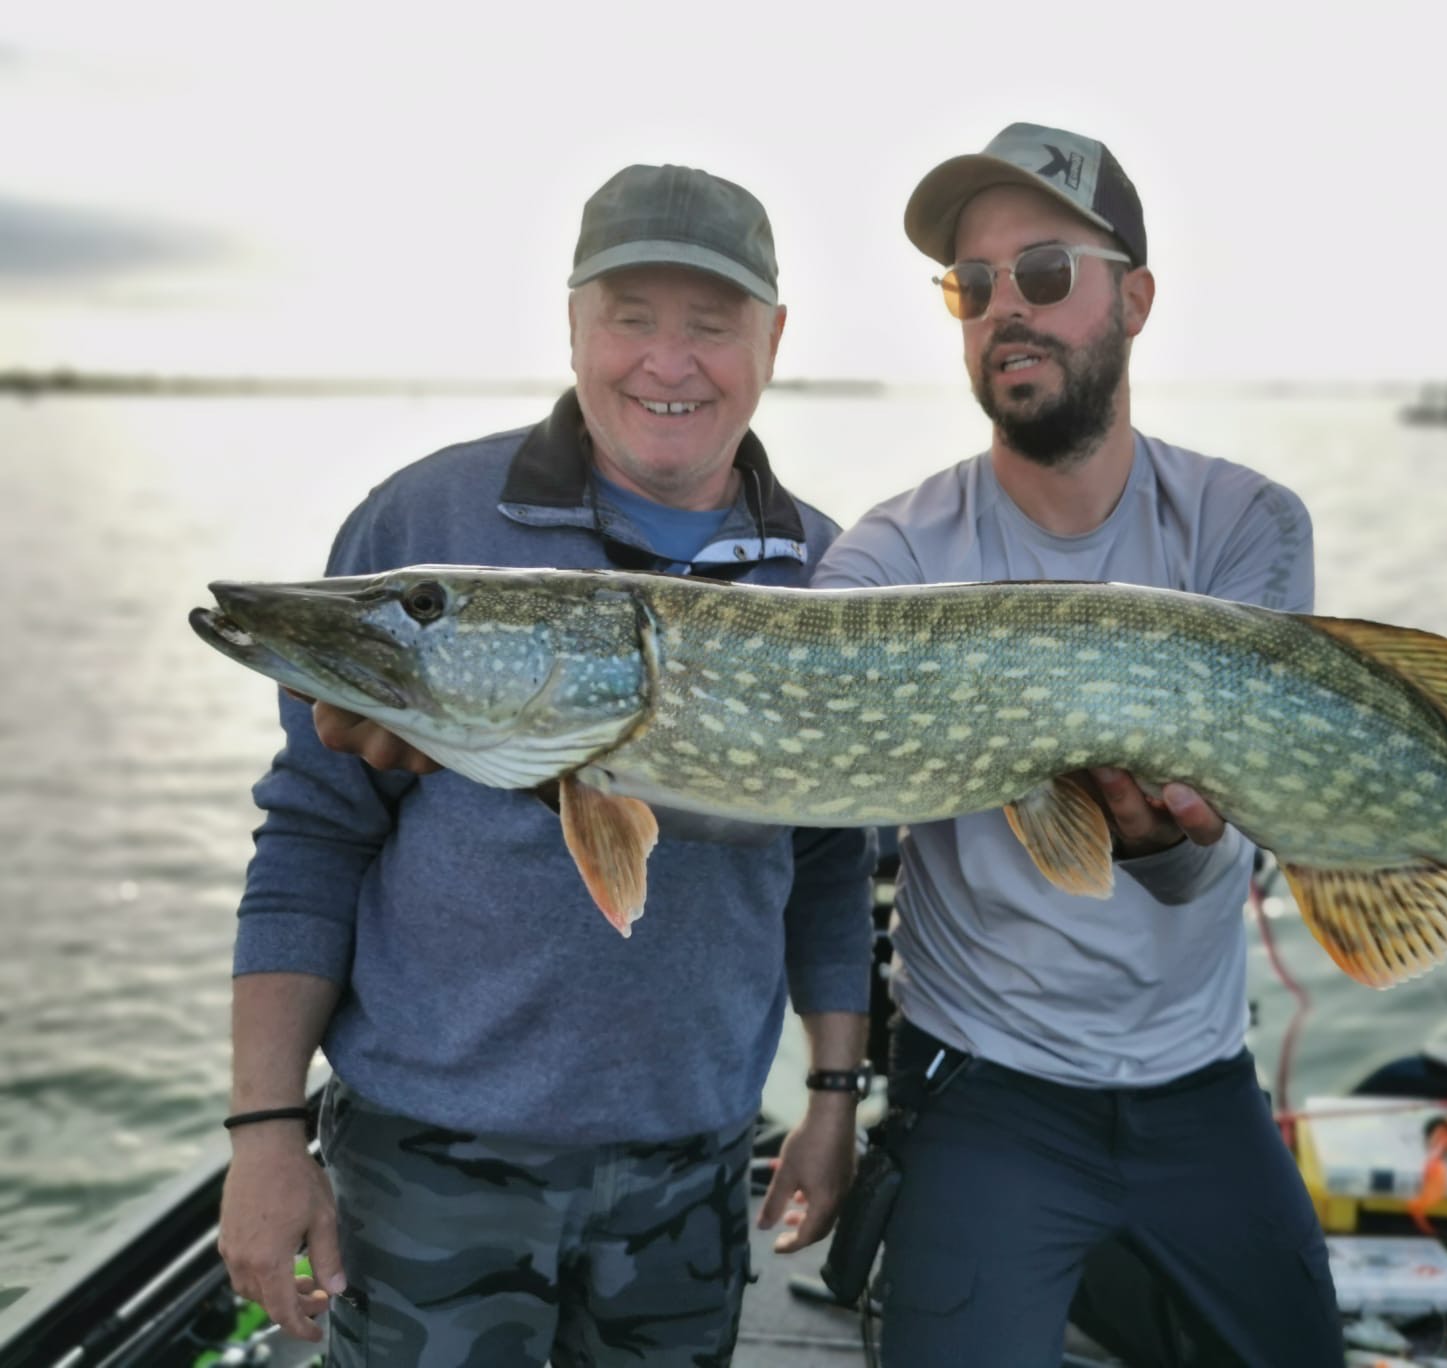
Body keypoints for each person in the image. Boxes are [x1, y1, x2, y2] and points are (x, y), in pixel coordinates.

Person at [216, 163, 876, 1367]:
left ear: (772, 341)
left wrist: (832, 1099)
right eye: (631, 318)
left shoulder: (839, 575)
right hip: (430, 1160)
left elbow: (832, 860)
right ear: (573, 323)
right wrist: (265, 1130)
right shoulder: (421, 524)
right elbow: (310, 834)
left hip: (693, 1164)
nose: (667, 364)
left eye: (711, 325)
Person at [812, 123, 1344, 1366]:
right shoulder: (889, 560)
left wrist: (1163, 850)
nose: (1007, 310)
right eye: (973, 285)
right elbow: (794, 813)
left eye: (1044, 273)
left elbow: (1231, 840)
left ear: (1134, 299)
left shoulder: (1244, 523)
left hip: (1200, 1084)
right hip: (982, 1091)